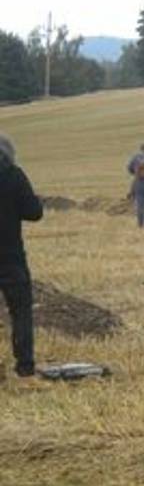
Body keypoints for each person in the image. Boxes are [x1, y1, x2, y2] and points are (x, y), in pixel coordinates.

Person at [0, 133, 43, 377]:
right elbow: (34, 213)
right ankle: (25, 367)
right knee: (21, 311)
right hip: (11, 257)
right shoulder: (14, 175)